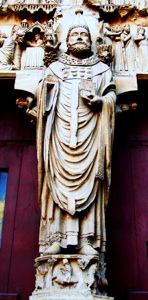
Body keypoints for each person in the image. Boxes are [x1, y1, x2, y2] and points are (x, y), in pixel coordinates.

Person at [37, 10, 116, 257]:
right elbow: (42, 97)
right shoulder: (56, 68)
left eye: (84, 34)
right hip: (59, 136)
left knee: (92, 182)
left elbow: (112, 95)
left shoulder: (102, 69)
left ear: (91, 41)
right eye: (76, 34)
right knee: (57, 182)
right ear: (67, 40)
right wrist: (47, 92)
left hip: (91, 138)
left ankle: (87, 240)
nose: (80, 37)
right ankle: (55, 238)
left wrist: (102, 102)